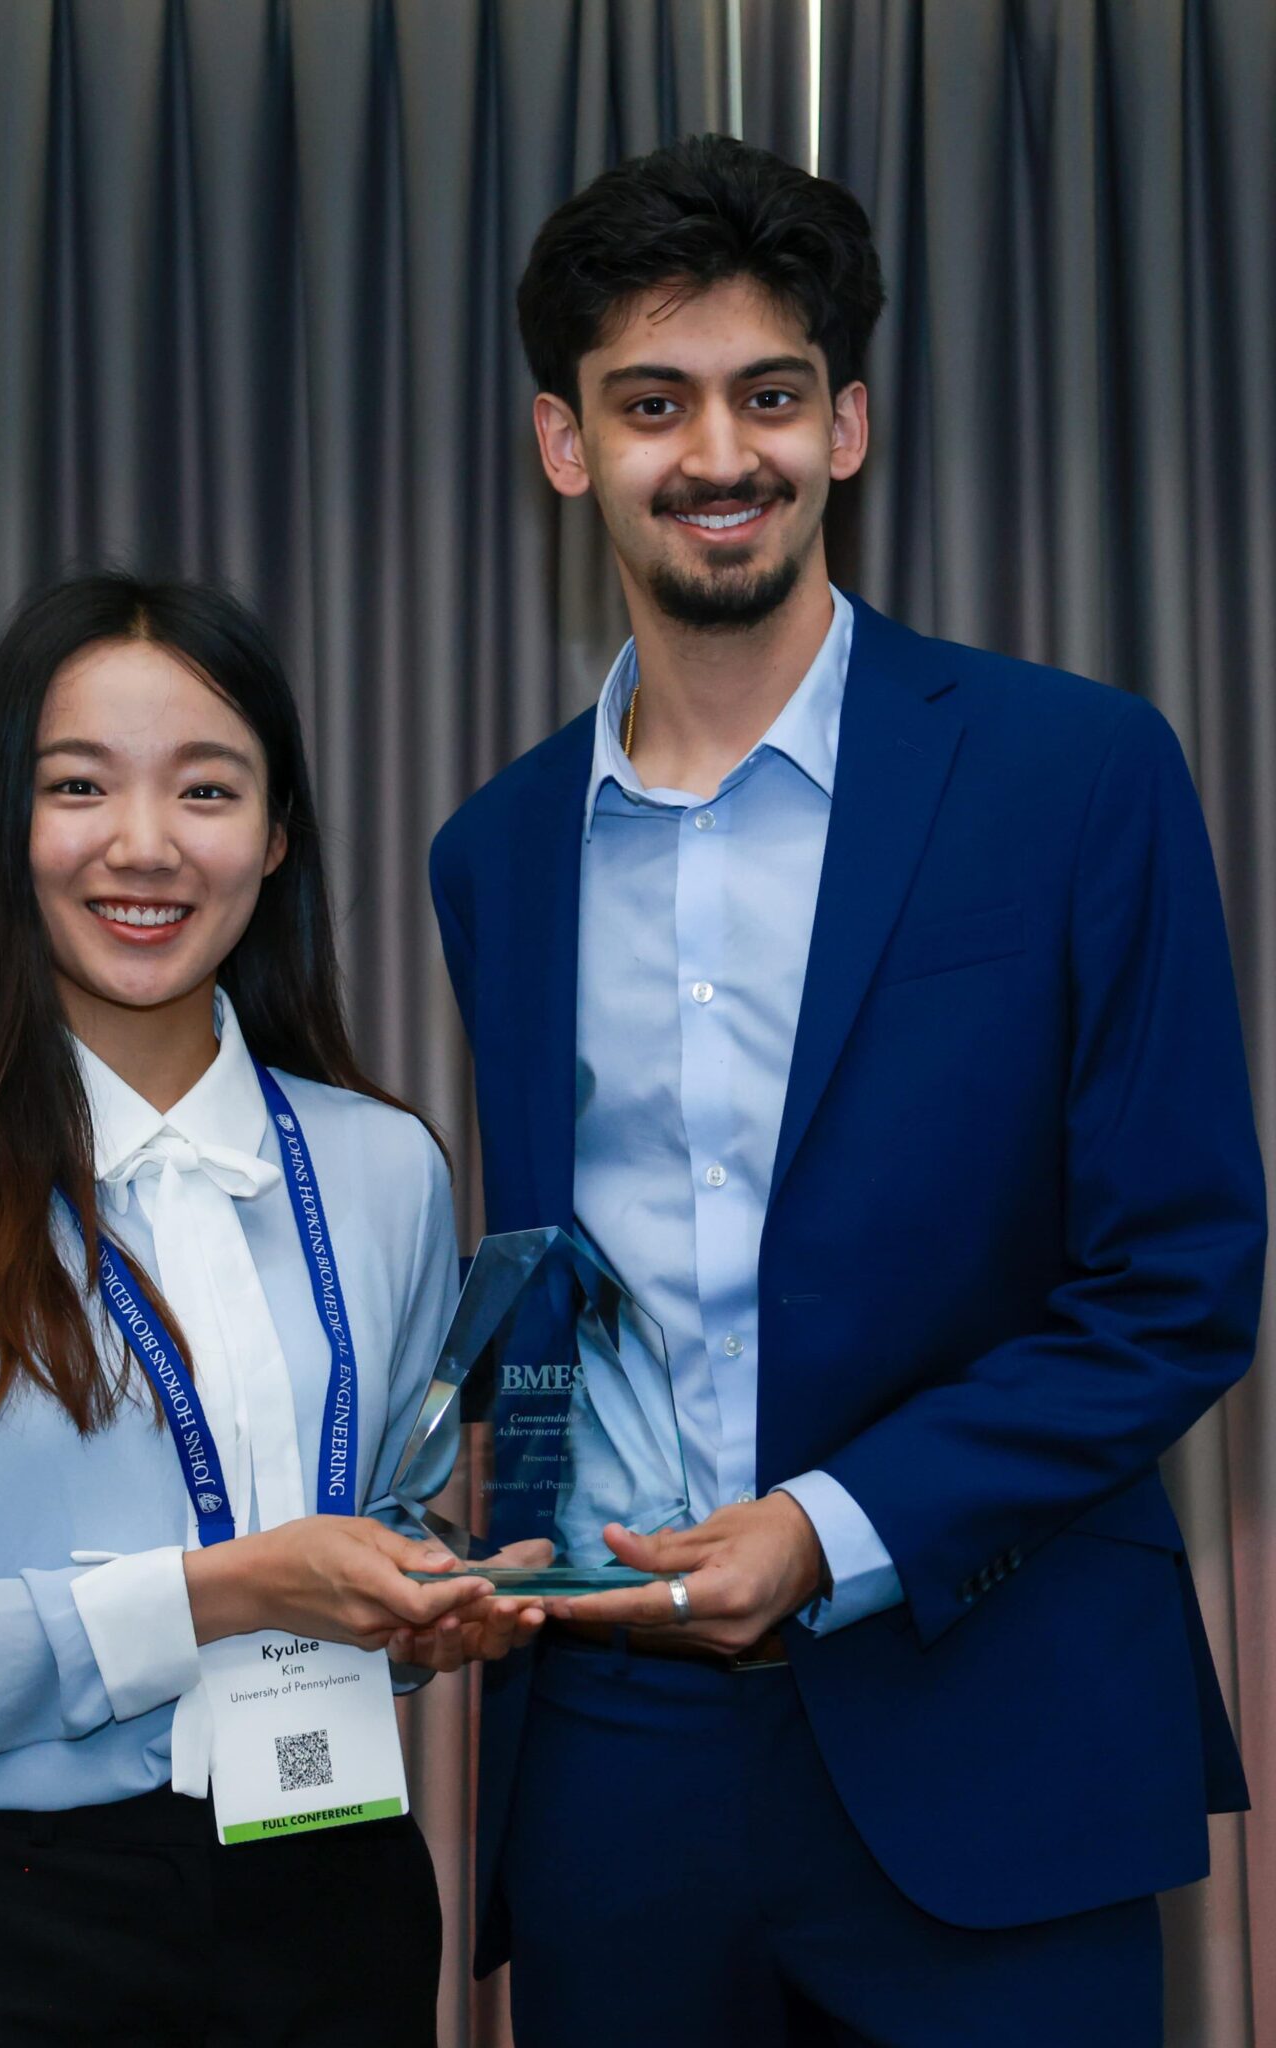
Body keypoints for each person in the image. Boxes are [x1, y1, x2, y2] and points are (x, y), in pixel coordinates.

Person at [414, 135, 1267, 2046]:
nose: (719, 453)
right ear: (567, 446)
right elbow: (554, 1274)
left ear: (848, 425)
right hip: (614, 1766)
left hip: (994, 1718)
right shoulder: (497, 852)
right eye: (654, 403)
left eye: (769, 395)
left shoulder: (1080, 773)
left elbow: (1180, 1275)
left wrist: (834, 1522)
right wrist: (497, 1518)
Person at [0, 573, 522, 2048]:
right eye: (79, 786)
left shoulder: (383, 1167)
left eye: (209, 789)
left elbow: (385, 1531)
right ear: (5, 824)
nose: (146, 845)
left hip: (334, 1894)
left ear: (278, 832)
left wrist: (434, 1605)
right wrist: (235, 1587)